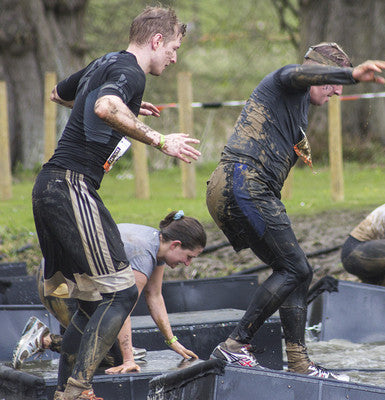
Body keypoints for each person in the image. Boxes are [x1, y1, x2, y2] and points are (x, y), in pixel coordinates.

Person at [31, 7, 199, 400]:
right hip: (72, 187)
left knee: (91, 301)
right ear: (156, 41)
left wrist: (127, 107)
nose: (174, 57)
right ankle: (78, 390)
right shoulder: (132, 72)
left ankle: (66, 393)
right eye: (173, 48)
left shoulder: (105, 63)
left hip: (49, 188)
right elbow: (105, 108)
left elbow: (61, 95)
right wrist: (162, 140)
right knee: (121, 293)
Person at [205, 42, 385, 380]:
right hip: (244, 182)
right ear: (317, 73)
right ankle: (234, 346)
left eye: (338, 83)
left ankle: (299, 362)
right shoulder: (283, 81)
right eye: (330, 82)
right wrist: (351, 75)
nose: (336, 91)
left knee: (295, 271)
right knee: (296, 269)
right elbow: (295, 73)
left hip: (239, 186)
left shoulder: (297, 106)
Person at [13, 211, 206, 375]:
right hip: (60, 285)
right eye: (189, 257)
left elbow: (154, 296)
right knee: (111, 356)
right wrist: (127, 358)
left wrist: (172, 341)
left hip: (73, 281)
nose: (188, 263)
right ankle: (43, 339)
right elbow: (122, 310)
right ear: (175, 245)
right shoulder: (143, 255)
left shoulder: (157, 244)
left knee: (110, 346)